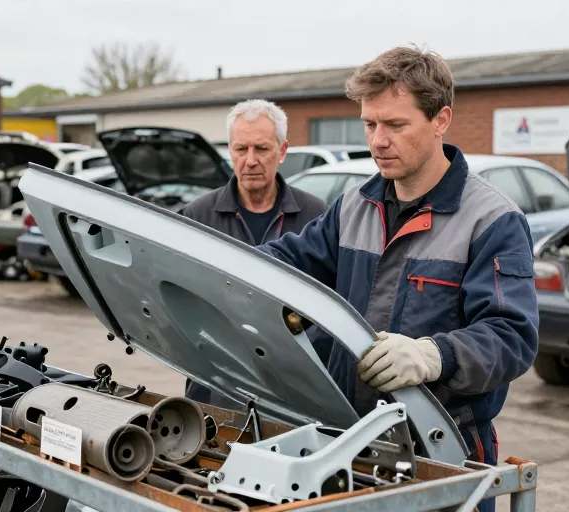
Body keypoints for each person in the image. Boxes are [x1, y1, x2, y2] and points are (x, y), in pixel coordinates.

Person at [256, 46, 538, 511]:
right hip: (349, 445)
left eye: (396, 125)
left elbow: (512, 338)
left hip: (447, 455)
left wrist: (435, 354)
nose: (378, 140)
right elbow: (283, 263)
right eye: (370, 124)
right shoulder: (352, 208)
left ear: (440, 119)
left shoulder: (492, 221)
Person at [180, 99, 329, 406]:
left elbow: (330, 306)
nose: (250, 160)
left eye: (261, 149)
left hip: (295, 383)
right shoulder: (197, 217)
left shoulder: (316, 216)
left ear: (283, 151)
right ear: (229, 151)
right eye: (240, 149)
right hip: (215, 380)